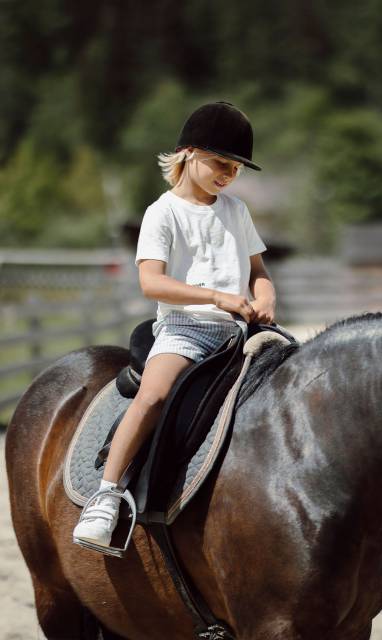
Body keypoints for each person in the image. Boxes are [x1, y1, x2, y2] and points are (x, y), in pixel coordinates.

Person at [73, 101, 277, 552]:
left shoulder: (236, 211)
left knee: (305, 376)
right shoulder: (162, 213)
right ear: (188, 153)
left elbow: (258, 269)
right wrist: (217, 296)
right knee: (155, 394)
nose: (229, 174)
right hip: (186, 328)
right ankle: (107, 497)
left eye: (237, 168)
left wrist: (264, 297)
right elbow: (152, 282)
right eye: (221, 163)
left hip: (237, 332)